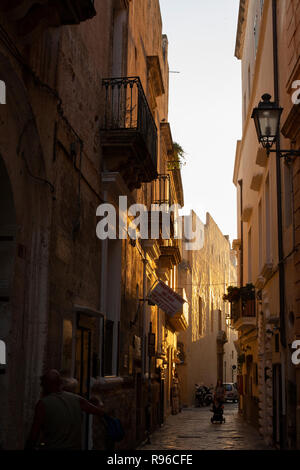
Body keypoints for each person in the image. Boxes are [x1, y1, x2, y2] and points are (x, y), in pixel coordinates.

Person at [25, 369, 104, 450]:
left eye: (42, 385)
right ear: (60, 383)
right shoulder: (77, 400)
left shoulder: (42, 404)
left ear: (46, 385)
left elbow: (34, 435)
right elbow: (99, 412)